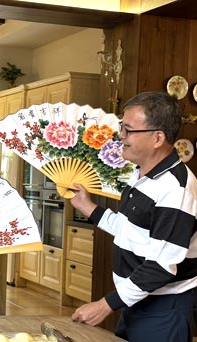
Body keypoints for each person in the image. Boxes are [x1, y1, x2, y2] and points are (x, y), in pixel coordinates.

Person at [70, 91, 197, 342]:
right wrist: (87, 207)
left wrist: (105, 305)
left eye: (128, 130)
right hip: (136, 299)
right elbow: (132, 231)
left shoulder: (176, 189)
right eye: (122, 127)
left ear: (157, 137)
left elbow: (161, 266)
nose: (121, 136)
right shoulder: (140, 174)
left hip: (164, 309)